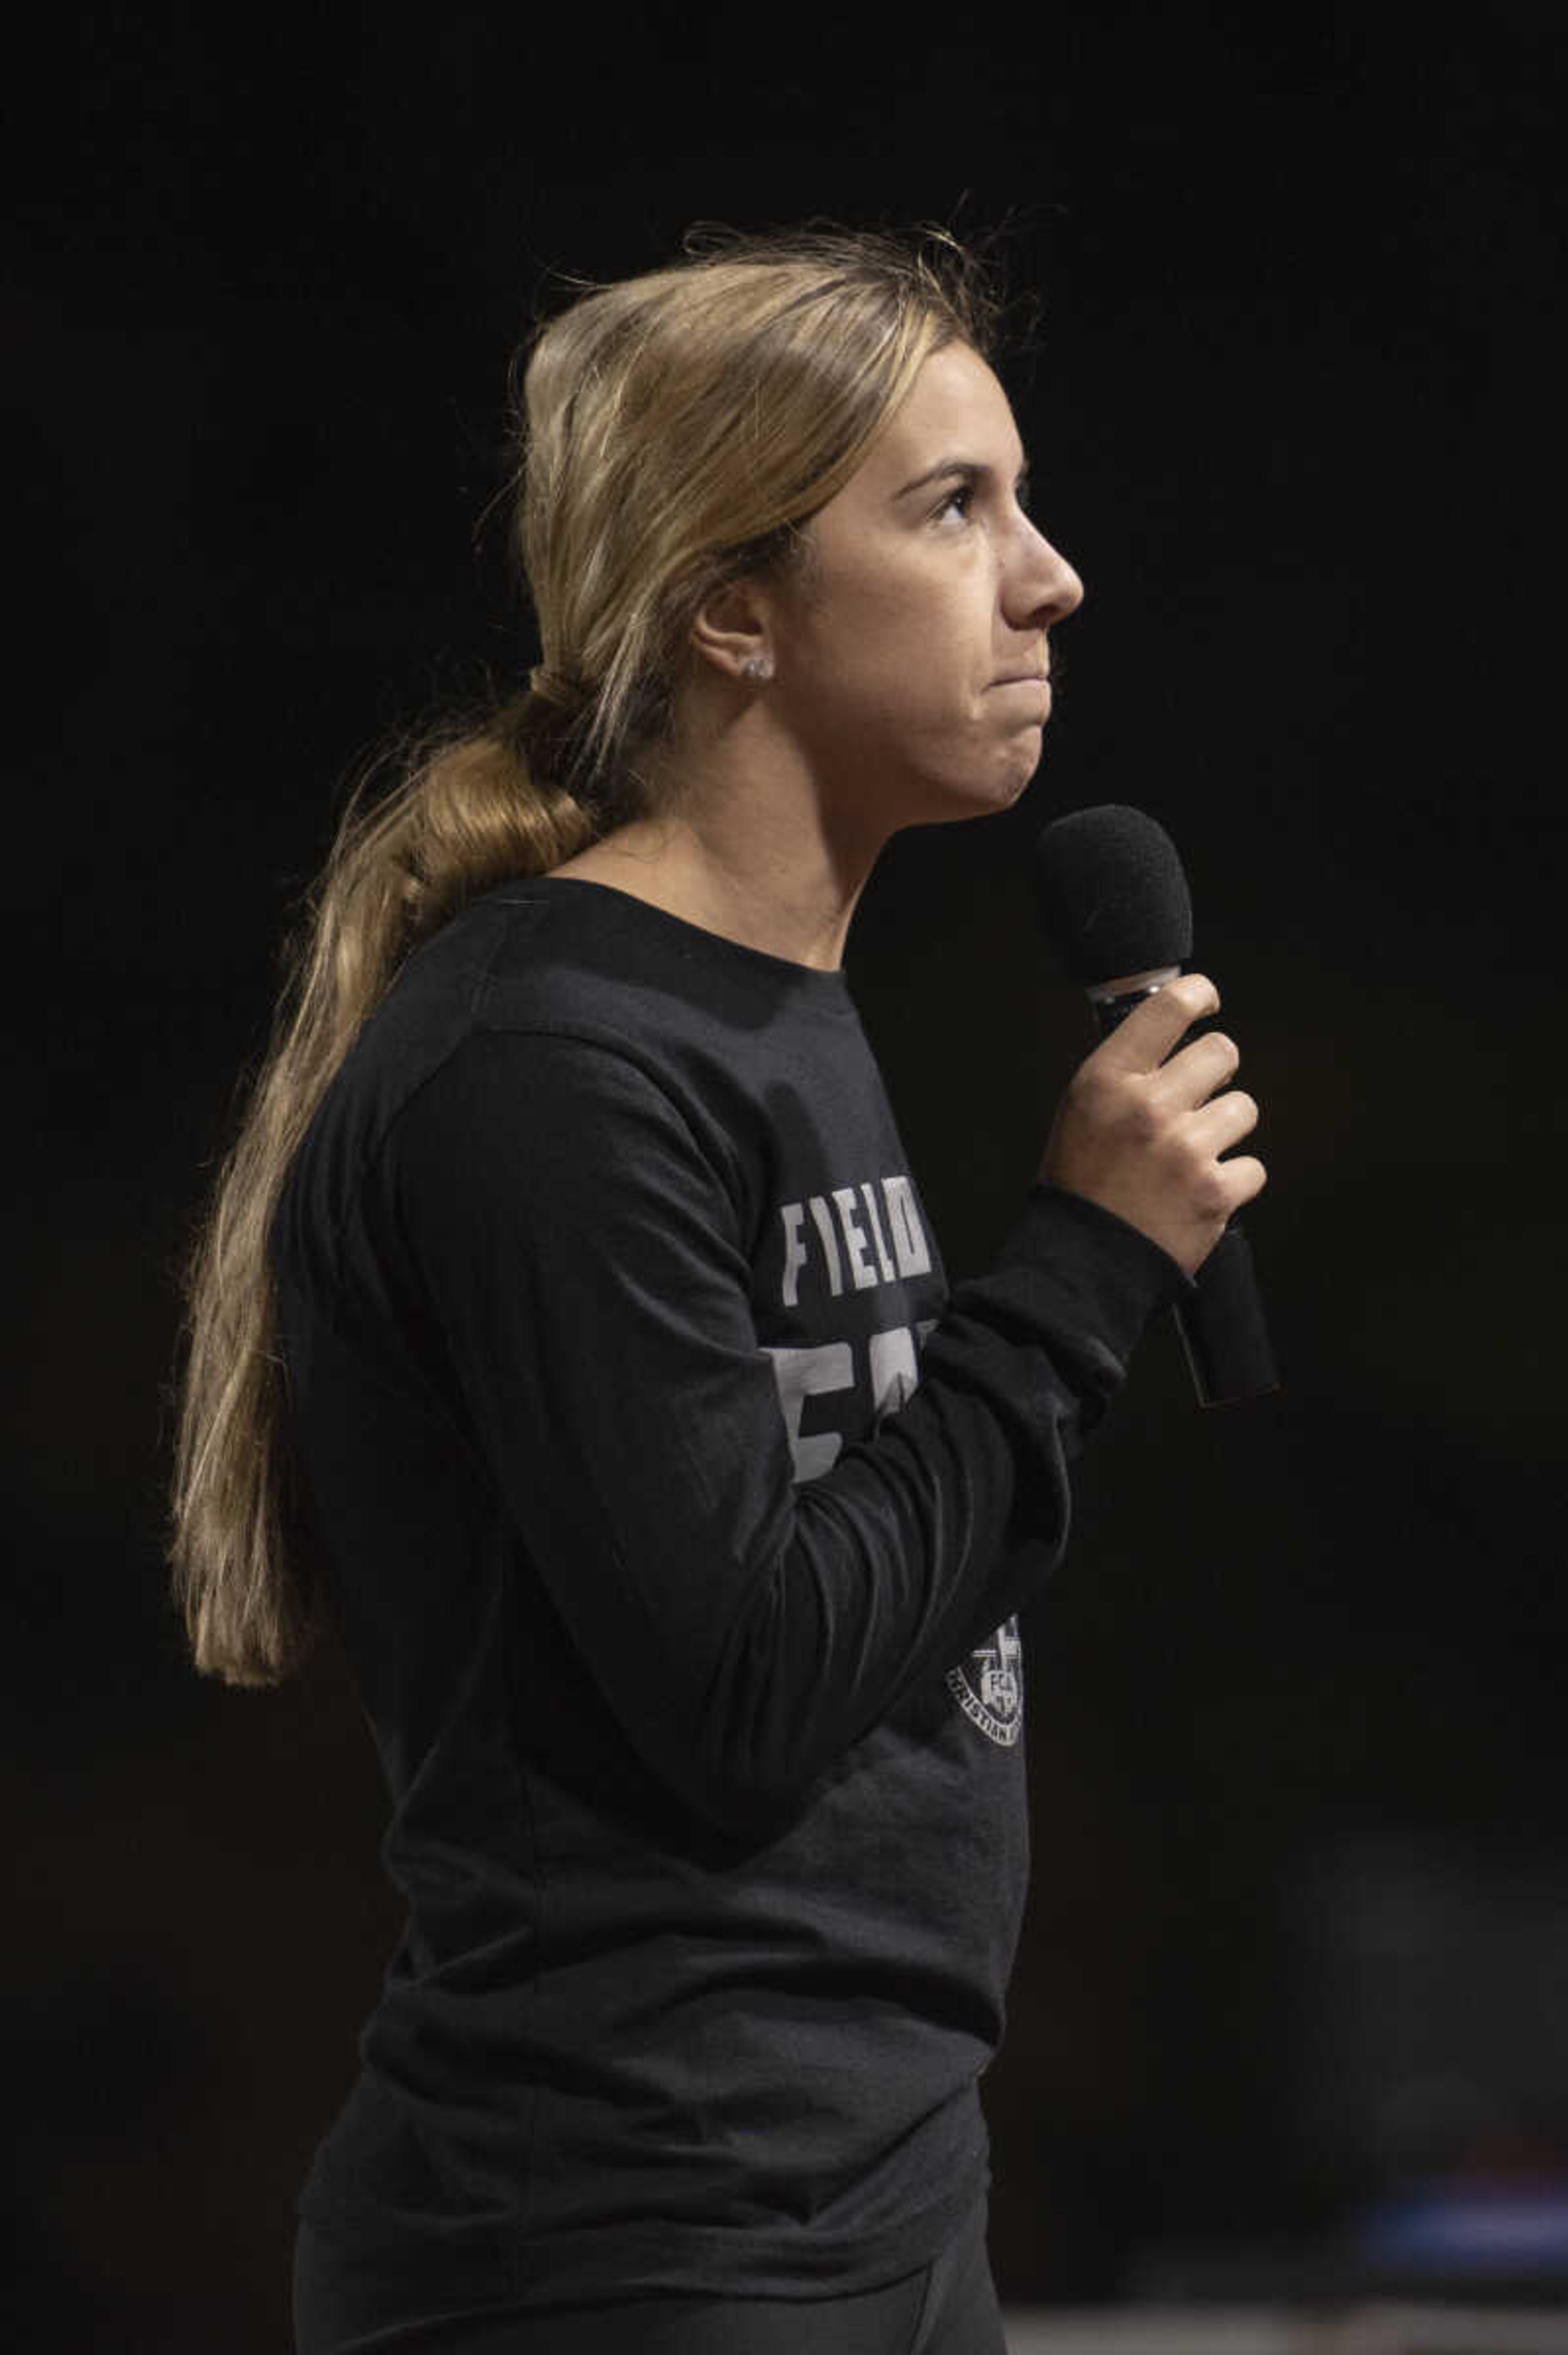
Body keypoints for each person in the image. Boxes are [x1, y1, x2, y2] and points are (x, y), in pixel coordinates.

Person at [169, 223, 1264, 2353]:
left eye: (1018, 505)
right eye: (954, 511)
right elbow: (748, 1681)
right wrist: (1082, 1269)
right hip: (625, 2249)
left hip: (862, 2208)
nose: (1049, 579)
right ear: (731, 607)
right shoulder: (551, 1063)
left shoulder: (774, 1014)